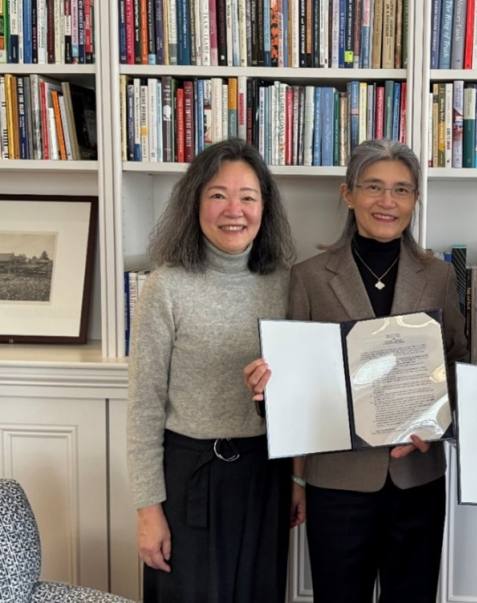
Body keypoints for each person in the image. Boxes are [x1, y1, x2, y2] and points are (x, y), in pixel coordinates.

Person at [245, 139, 468, 603]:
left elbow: (457, 369)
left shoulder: (440, 276)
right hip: (338, 482)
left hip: (418, 478)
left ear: (414, 200)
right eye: (374, 187)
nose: (388, 202)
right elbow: (295, 388)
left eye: (402, 190)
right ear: (349, 195)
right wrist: (296, 471)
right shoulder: (308, 277)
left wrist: (440, 422)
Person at [127, 139, 297, 602]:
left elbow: (302, 396)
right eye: (218, 195)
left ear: (265, 206)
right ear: (195, 203)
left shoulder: (286, 283)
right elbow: (144, 406)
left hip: (266, 474)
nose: (234, 210)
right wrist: (148, 511)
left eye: (248, 196)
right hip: (189, 479)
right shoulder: (165, 287)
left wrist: (298, 478)